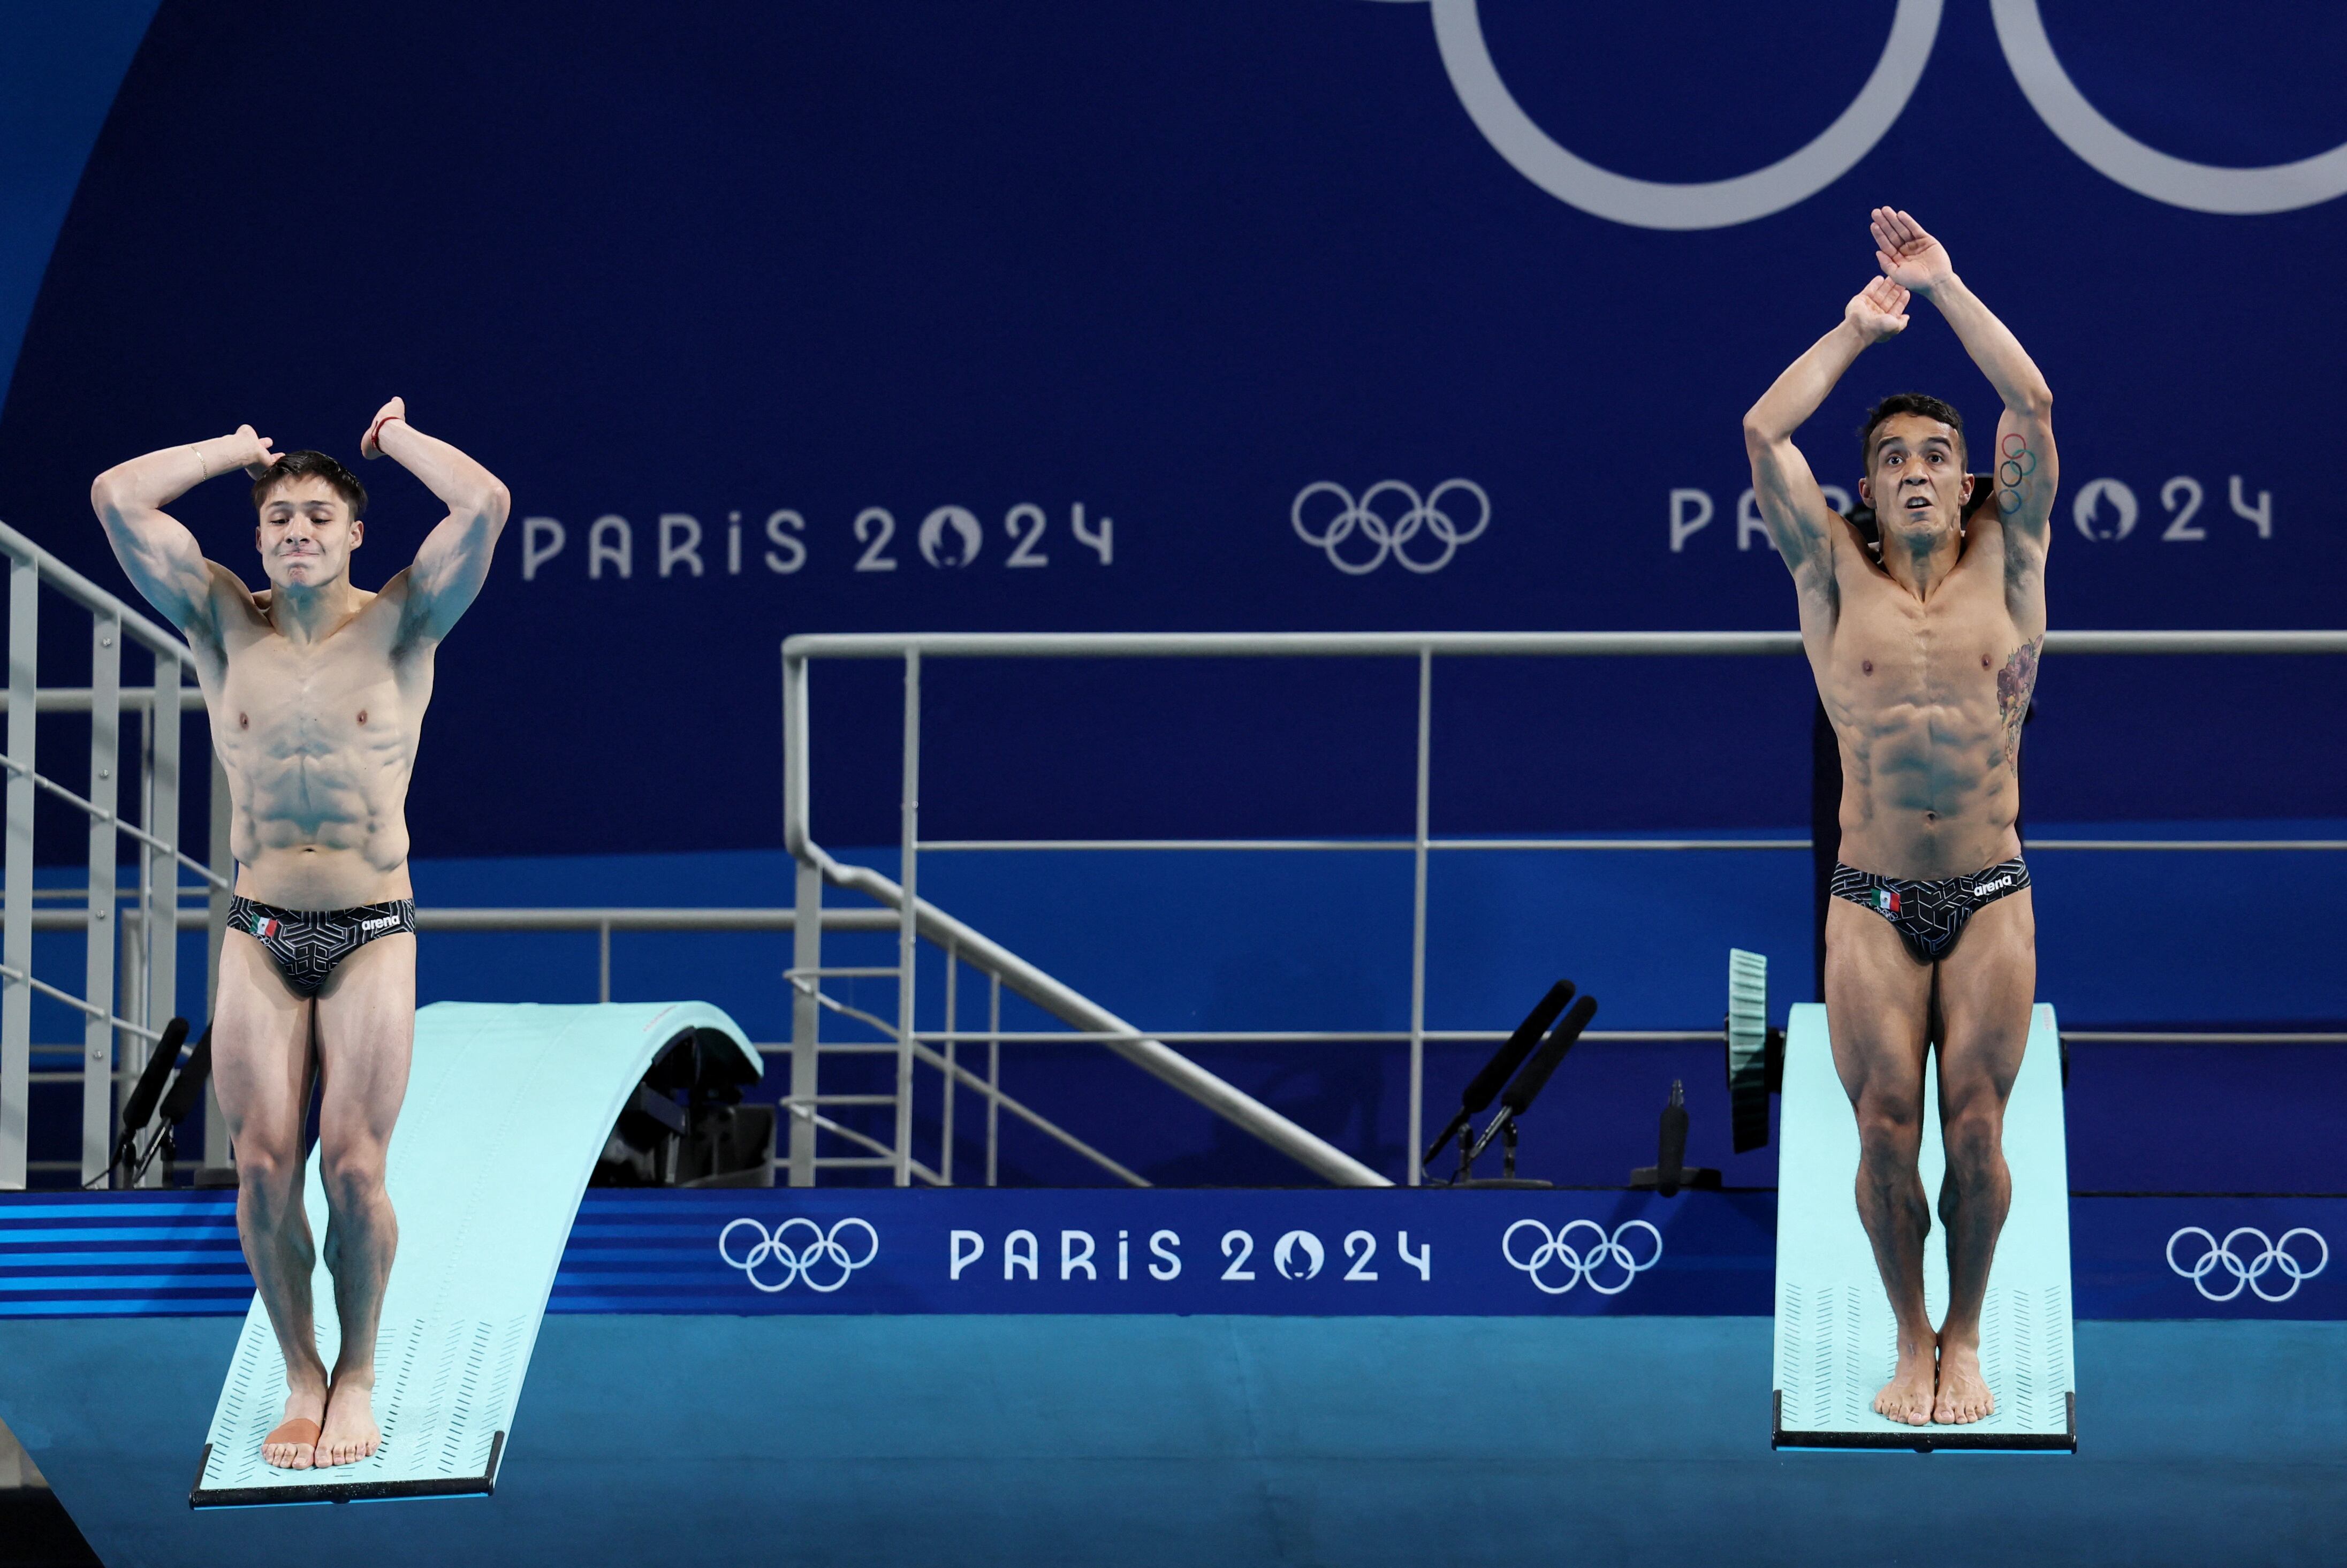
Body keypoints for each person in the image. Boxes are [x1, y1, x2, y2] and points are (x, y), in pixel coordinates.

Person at [90, 399, 509, 1468]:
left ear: (356, 530)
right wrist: (233, 452)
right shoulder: (223, 619)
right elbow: (116, 496)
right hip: (255, 930)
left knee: (354, 1173)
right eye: (279, 517)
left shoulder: (406, 620)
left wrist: (400, 439)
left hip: (373, 928)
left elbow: (486, 503)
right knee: (265, 1168)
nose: (296, 532)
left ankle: (359, 1374)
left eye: (319, 515)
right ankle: (301, 1375)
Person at [1742, 209, 2057, 1426]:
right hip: (1870, 896)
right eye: (1892, 459)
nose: (1918, 469)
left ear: (1967, 478)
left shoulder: (2013, 556)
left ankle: (1966, 1338)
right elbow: (1766, 428)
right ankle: (1908, 1334)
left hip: (1990, 893)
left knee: (1976, 1132)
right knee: (1883, 1134)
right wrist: (1856, 329)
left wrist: (1944, 282)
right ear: (1864, 487)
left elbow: (2031, 401)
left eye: (1937, 453)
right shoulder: (1828, 576)